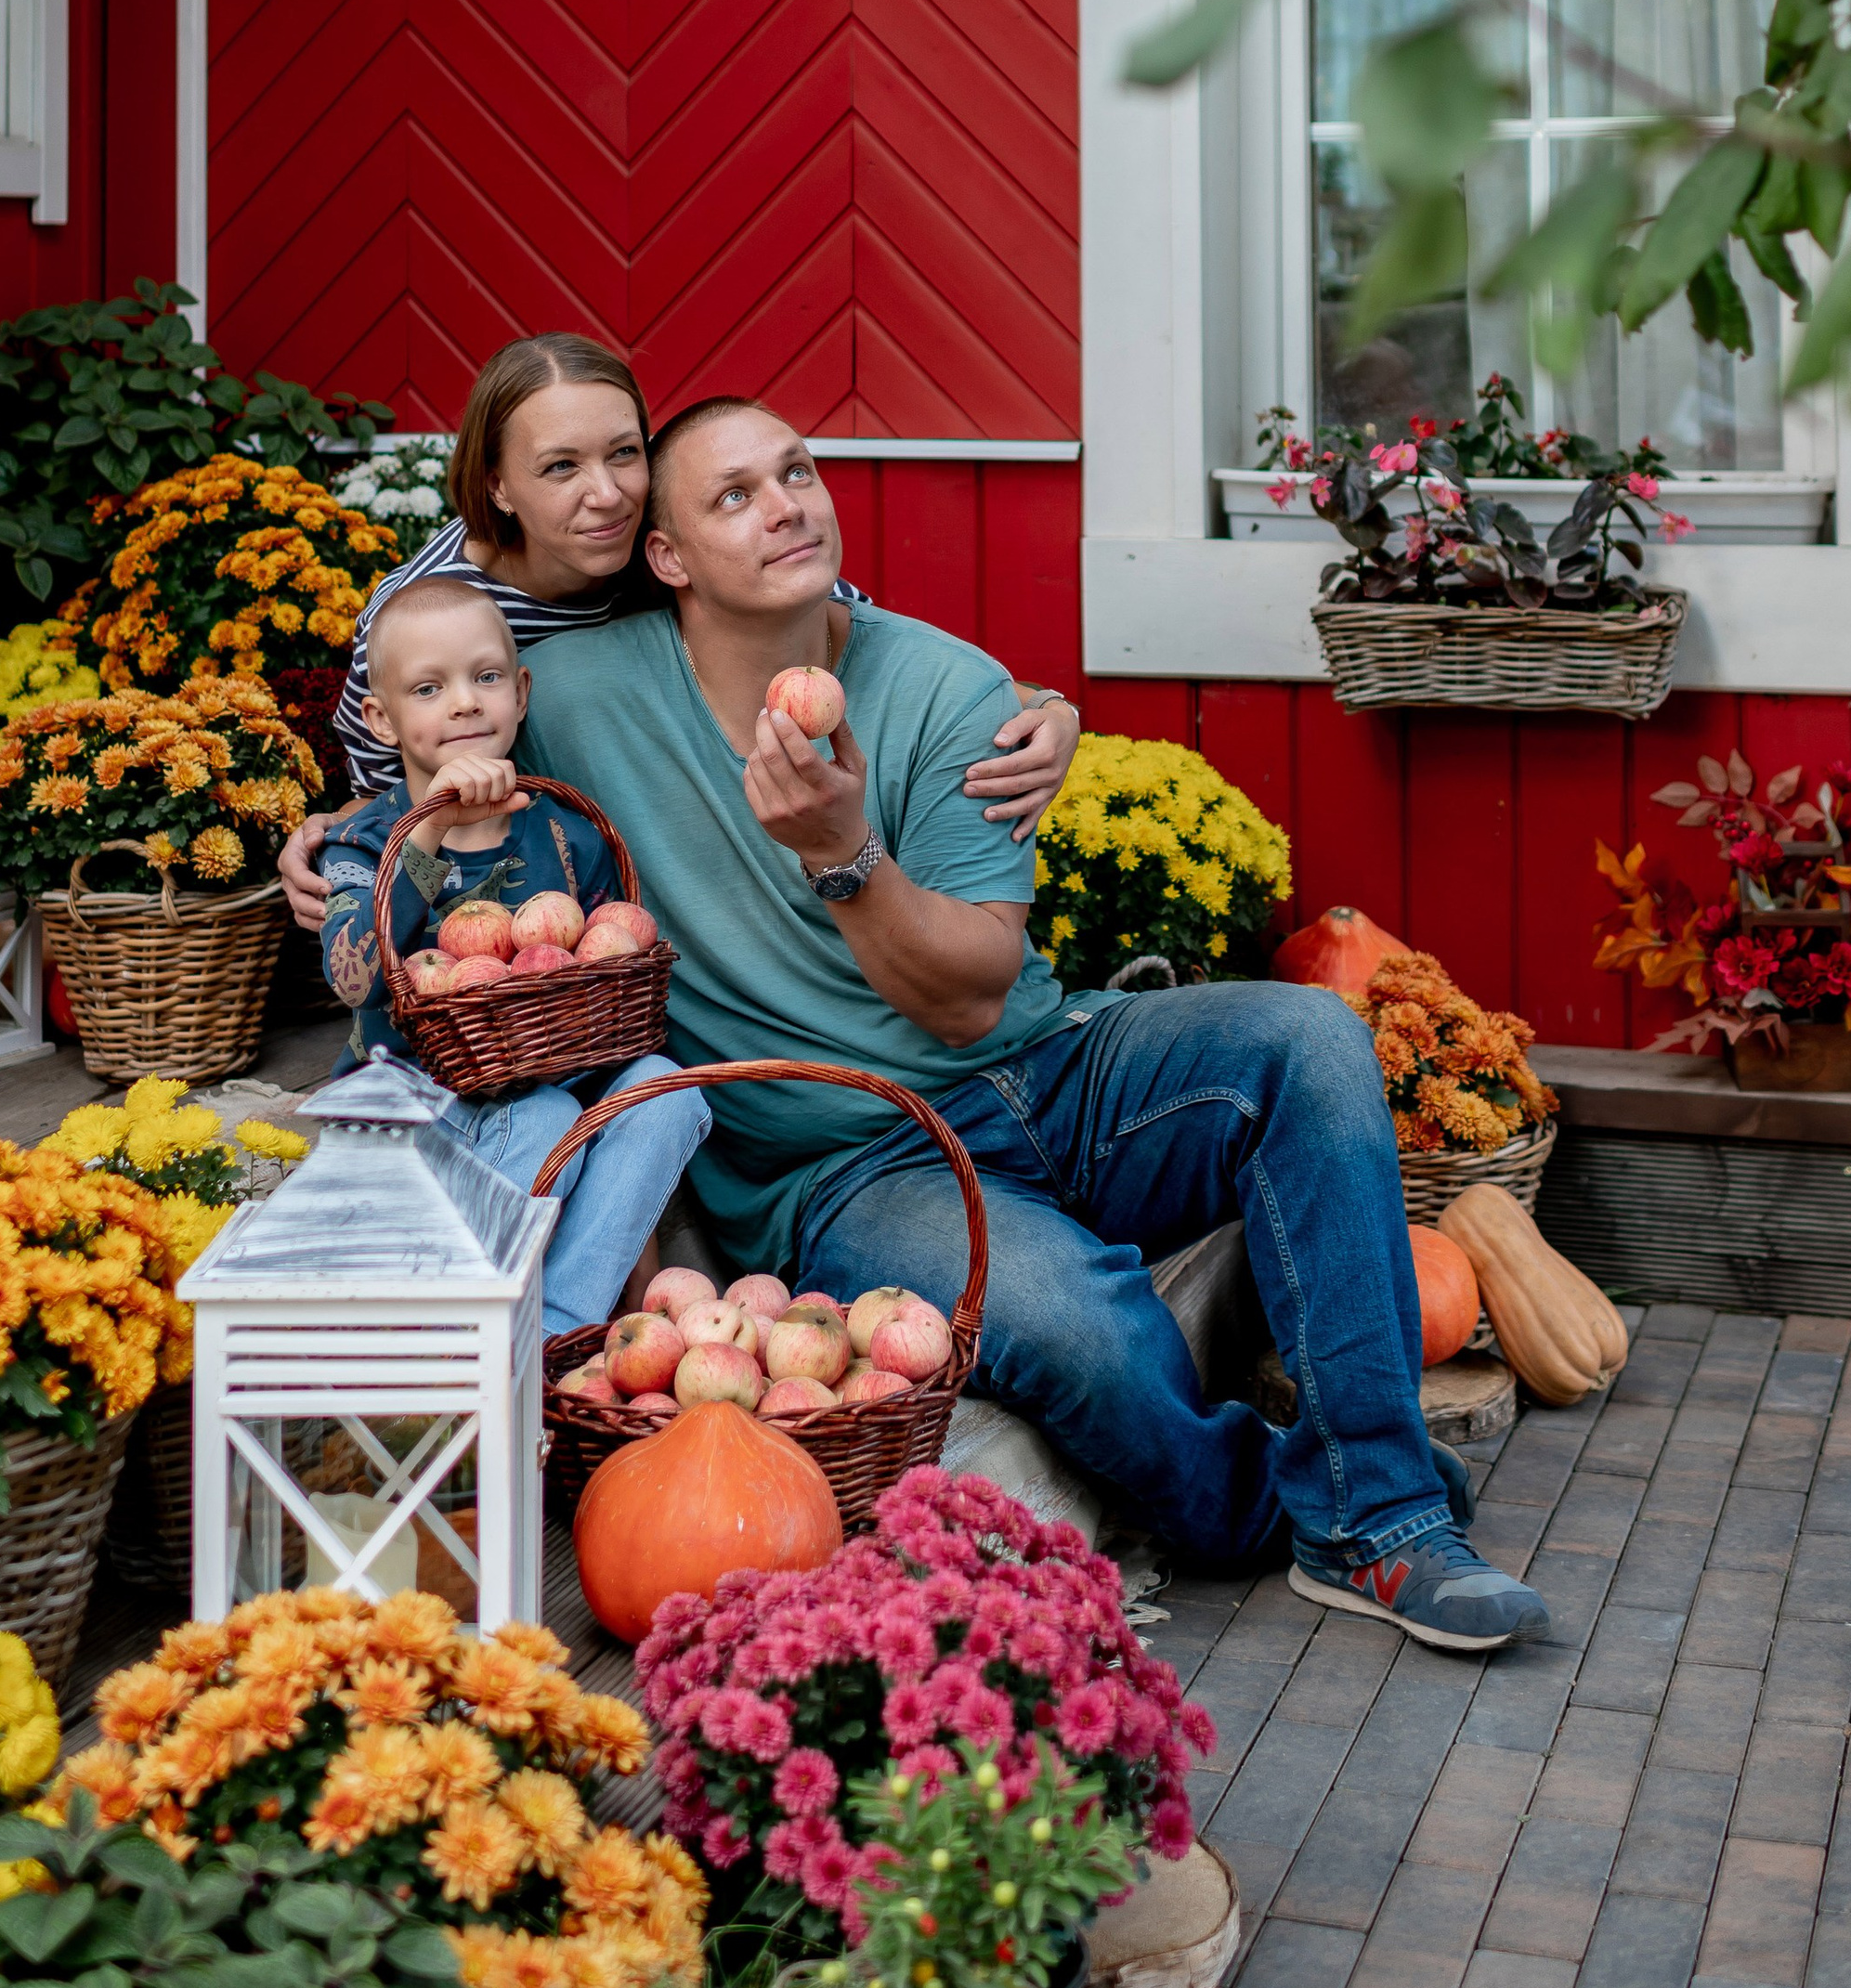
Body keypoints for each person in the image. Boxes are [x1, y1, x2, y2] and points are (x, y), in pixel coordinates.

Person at [519, 396, 1550, 1657]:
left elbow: (969, 994)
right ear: (666, 554)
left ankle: (1382, 1520)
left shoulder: (943, 684)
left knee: (1311, 1039)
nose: (785, 505)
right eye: (734, 495)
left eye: (796, 471)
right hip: (847, 1162)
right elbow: (427, 689)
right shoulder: (580, 696)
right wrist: (340, 863)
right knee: (1080, 1331)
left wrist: (844, 854)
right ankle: (1270, 1505)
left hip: (1046, 1068)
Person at [278, 329, 1079, 922]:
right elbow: (387, 792)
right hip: (493, 893)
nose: (608, 495)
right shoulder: (428, 614)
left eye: (624, 454)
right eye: (561, 467)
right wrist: (326, 842)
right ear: (498, 486)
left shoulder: (672, 549)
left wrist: (1048, 708)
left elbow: (863, 640)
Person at [316, 571, 706, 1338]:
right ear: (382, 719)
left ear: (521, 694)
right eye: (428, 688)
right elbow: (354, 978)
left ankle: (556, 1330)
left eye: (486, 677)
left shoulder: (566, 834)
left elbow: (608, 997)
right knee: (544, 1115)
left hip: (549, 1092)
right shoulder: (364, 842)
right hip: (416, 1113)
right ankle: (488, 1330)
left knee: (665, 1092)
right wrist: (430, 832)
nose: (465, 702)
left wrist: (644, 1266)